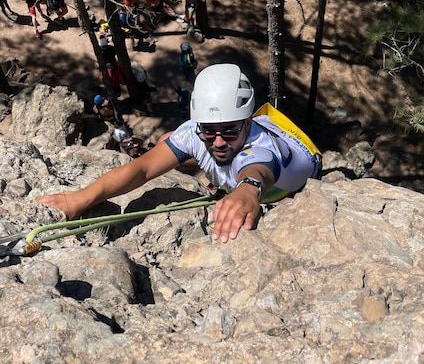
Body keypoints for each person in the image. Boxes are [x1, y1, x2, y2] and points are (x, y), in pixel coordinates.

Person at [37, 64, 322, 244]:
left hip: (300, 159)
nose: (219, 141)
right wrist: (82, 198)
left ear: (248, 123)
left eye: (229, 131)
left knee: (213, 157)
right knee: (167, 140)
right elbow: (142, 169)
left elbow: (257, 170)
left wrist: (248, 189)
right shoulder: (195, 130)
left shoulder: (260, 149)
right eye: (209, 132)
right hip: (263, 134)